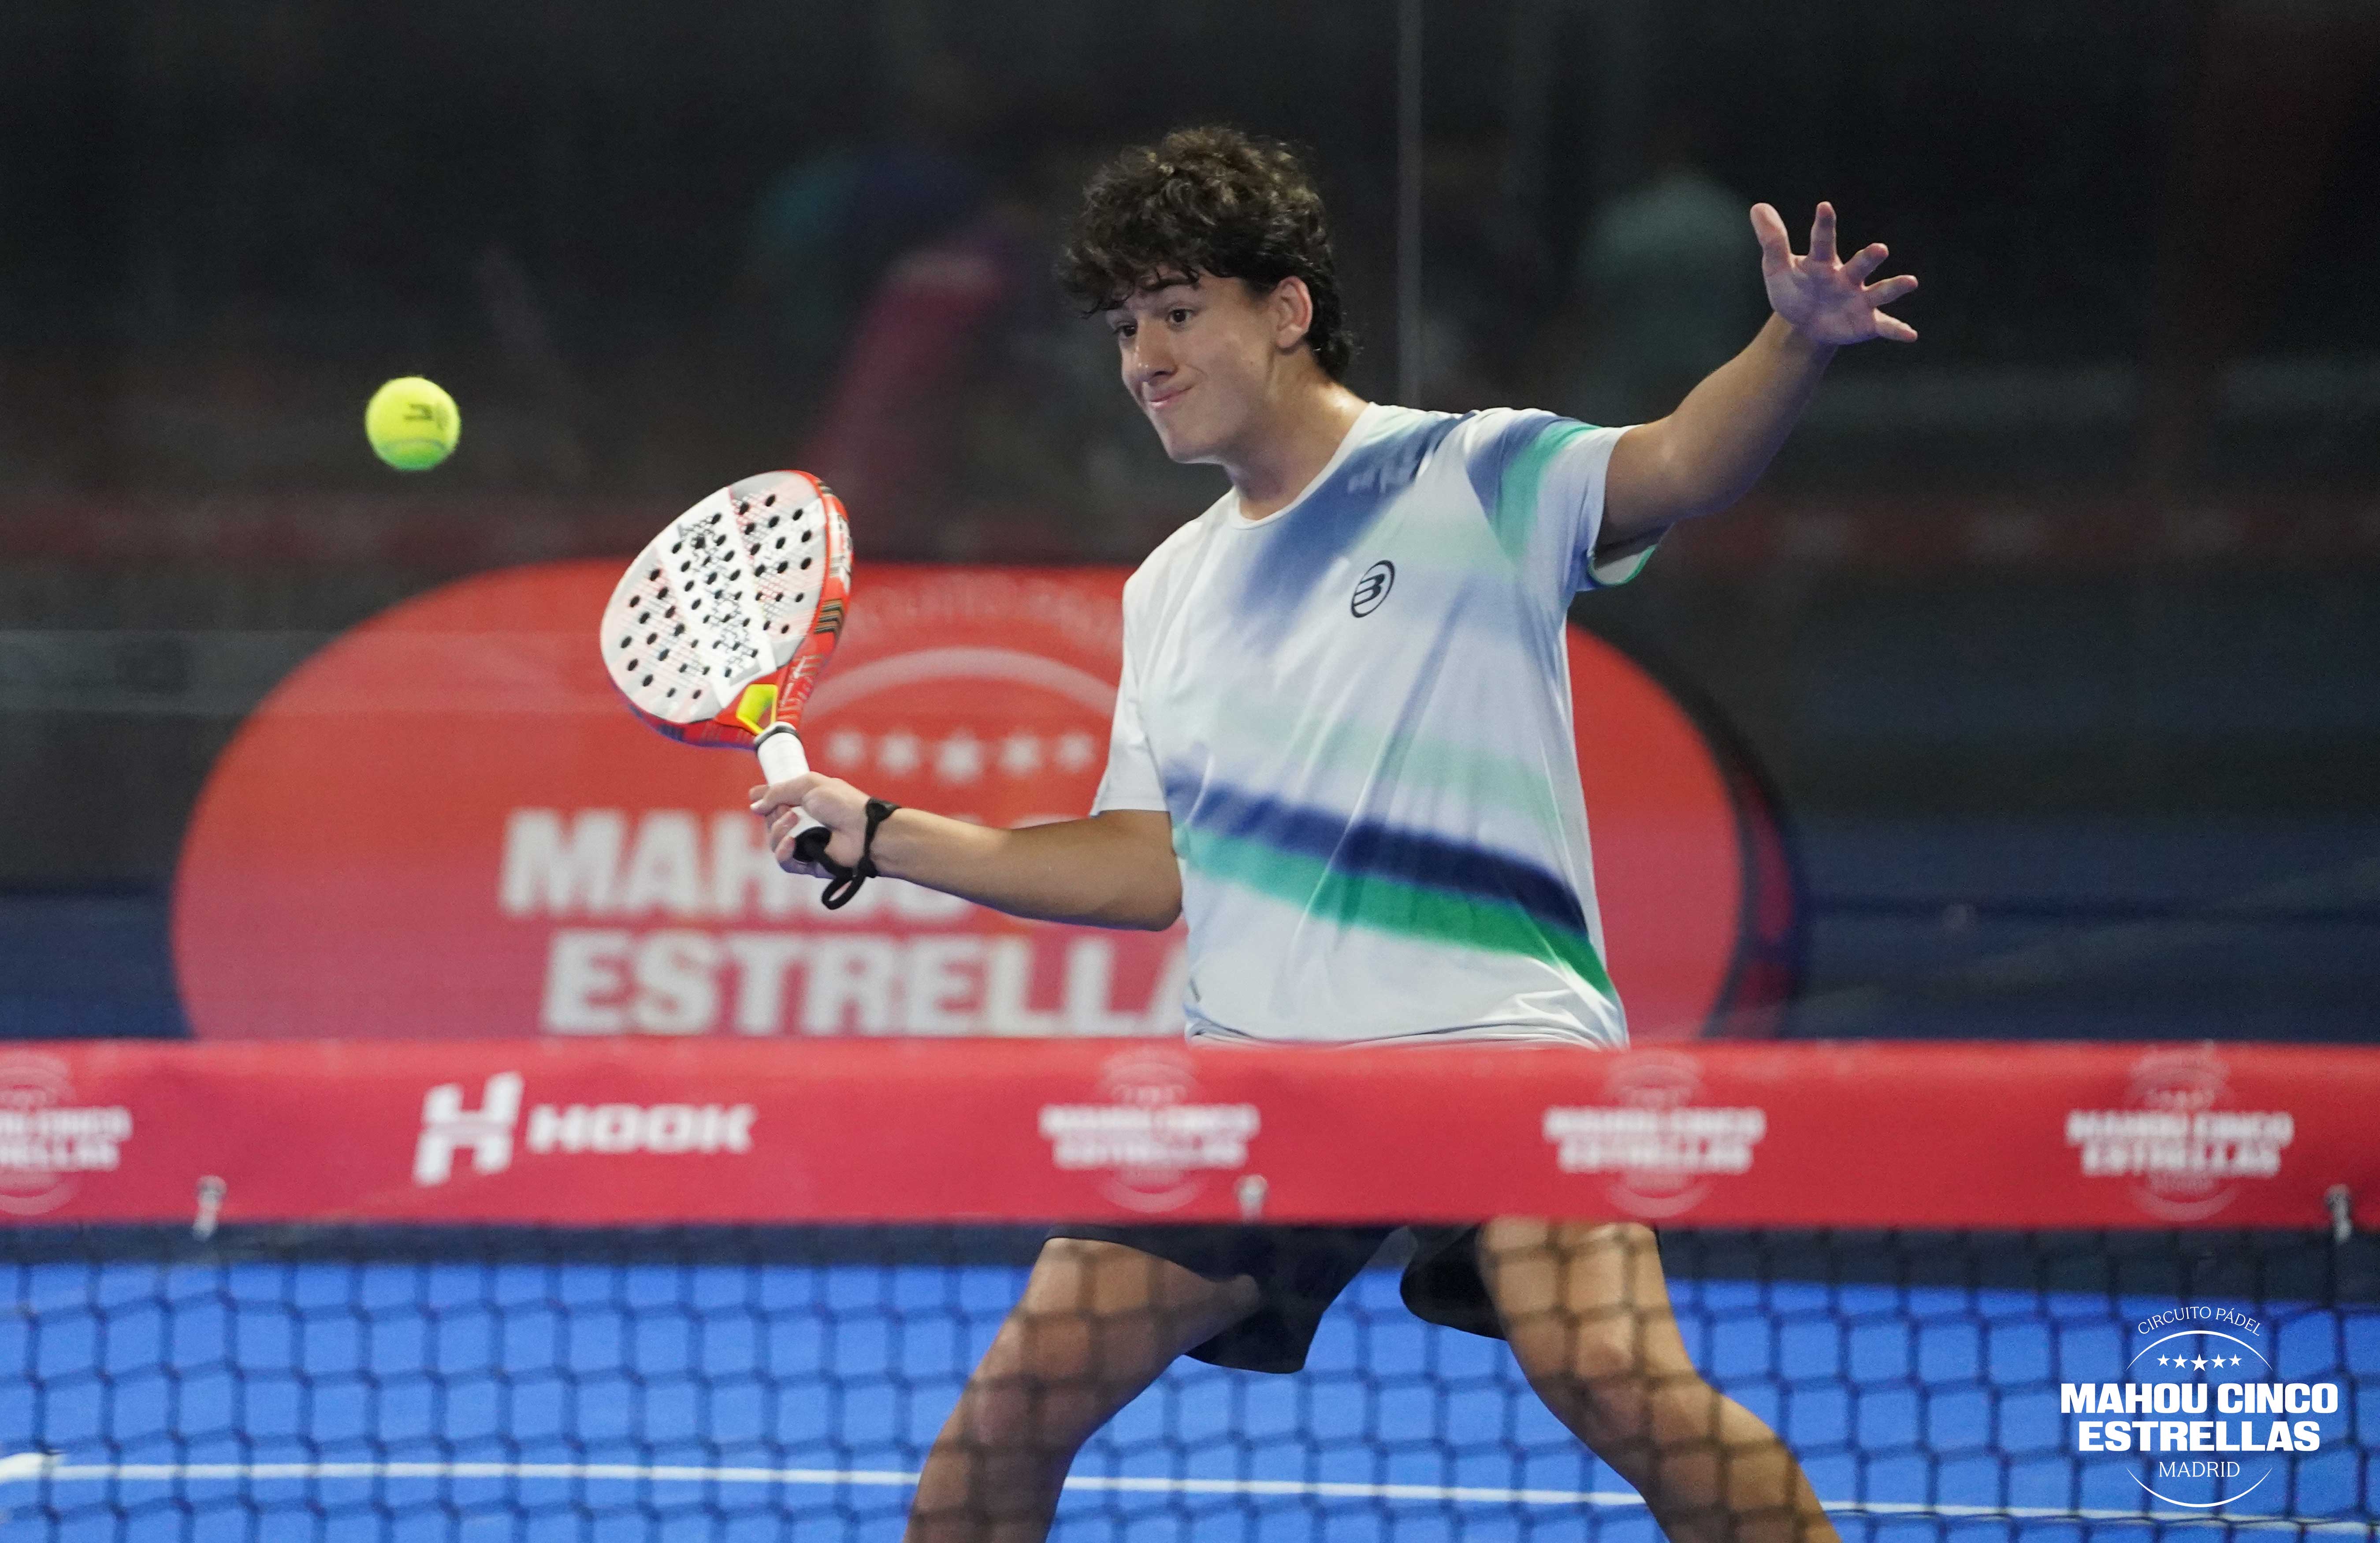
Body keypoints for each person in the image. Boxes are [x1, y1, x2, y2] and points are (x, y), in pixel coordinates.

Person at [752, 126, 1916, 1543]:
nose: (1143, 359)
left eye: (1178, 313)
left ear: (1287, 310)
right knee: (1014, 1409)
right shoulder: (1168, 588)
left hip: (1502, 1056)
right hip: (1265, 1085)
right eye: (1125, 329)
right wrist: (882, 831)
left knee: (1620, 1378)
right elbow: (1146, 866)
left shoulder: (1474, 473)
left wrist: (1792, 345)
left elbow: (1680, 461)